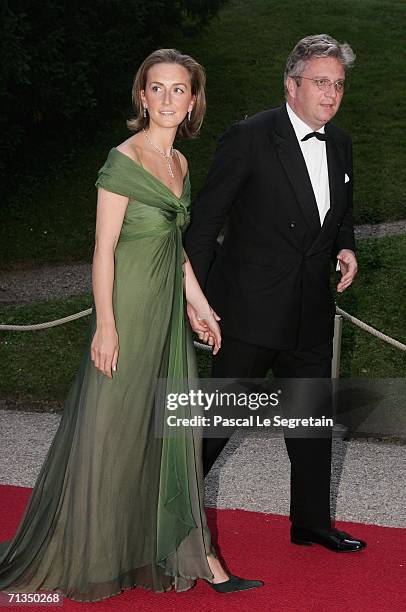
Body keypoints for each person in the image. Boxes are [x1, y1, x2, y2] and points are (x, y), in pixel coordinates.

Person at [0, 49, 263, 602]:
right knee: (113, 432)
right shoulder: (123, 161)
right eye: (158, 88)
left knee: (170, 434)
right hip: (129, 312)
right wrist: (106, 326)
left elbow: (178, 246)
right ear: (141, 96)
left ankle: (197, 555)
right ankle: (96, 553)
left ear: (194, 100)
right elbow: (102, 249)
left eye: (180, 90)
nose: (168, 99)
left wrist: (200, 305)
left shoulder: (181, 164)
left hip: (166, 313)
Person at [185, 34, 367, 553]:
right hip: (247, 308)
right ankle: (166, 517)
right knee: (217, 424)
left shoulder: (341, 142)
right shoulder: (249, 137)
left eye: (337, 84)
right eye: (319, 82)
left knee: (311, 423)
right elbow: (204, 226)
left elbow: (341, 212)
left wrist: (347, 247)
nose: (330, 94)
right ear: (291, 85)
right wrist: (196, 302)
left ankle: (310, 522)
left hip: (311, 307)